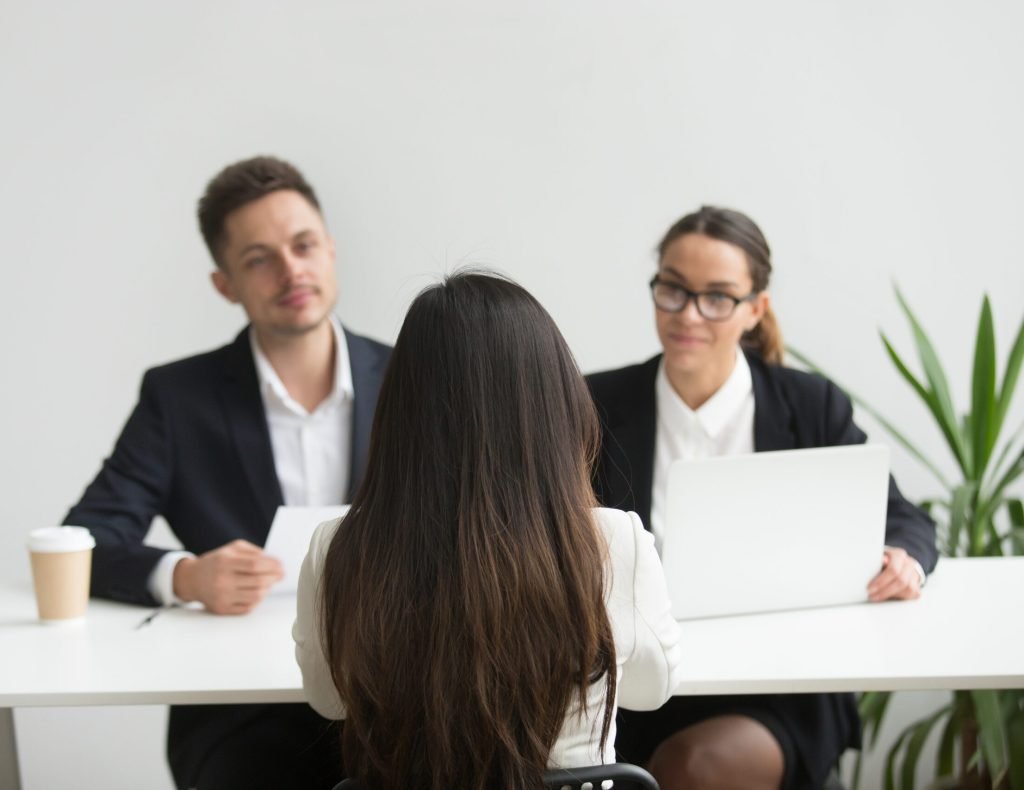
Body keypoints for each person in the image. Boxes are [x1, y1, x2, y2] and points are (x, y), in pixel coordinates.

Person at [64, 156, 391, 790]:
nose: (291, 270)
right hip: (239, 712)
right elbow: (87, 538)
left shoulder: (413, 376)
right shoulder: (178, 397)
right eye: (259, 259)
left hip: (393, 692)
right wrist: (185, 574)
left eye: (303, 246)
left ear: (330, 249)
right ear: (225, 284)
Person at [587, 206, 938, 790]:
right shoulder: (598, 403)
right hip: (641, 684)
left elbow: (904, 518)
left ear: (756, 309)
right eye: (673, 289)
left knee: (691, 770)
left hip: (781, 686)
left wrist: (905, 558)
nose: (689, 314)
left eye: (717, 297)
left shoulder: (809, 406)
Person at [293, 271, 686, 790]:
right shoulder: (611, 542)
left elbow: (329, 699)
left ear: (400, 410)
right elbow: (651, 690)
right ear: (554, 406)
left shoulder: (338, 546)